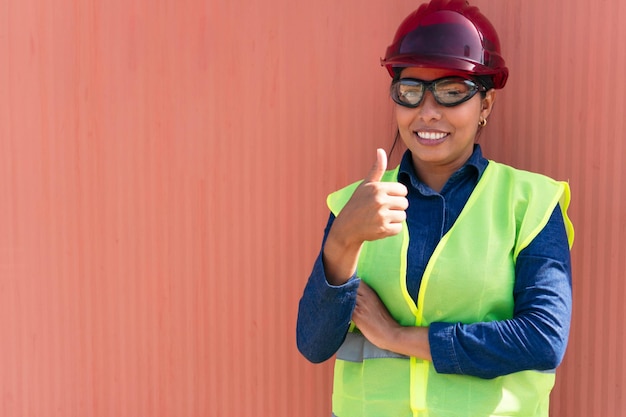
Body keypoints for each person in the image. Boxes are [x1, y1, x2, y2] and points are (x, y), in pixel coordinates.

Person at [296, 0, 575, 416]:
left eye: (451, 91)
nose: (427, 111)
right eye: (410, 91)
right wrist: (342, 240)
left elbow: (542, 338)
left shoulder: (529, 203)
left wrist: (395, 337)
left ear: (486, 104)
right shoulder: (358, 203)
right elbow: (314, 344)